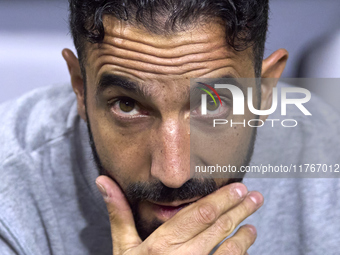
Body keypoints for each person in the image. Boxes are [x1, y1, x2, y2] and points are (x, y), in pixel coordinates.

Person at [0, 0, 339, 254]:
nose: (173, 173)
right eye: (128, 106)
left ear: (263, 92)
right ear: (80, 87)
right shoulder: (8, 191)